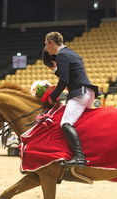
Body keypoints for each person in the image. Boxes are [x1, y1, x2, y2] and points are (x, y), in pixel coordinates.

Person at [43, 31, 100, 167]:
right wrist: (52, 67)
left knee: (65, 123)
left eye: (46, 44)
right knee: (77, 124)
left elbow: (64, 80)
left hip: (79, 93)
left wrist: (53, 95)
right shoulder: (71, 53)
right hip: (88, 92)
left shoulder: (61, 55)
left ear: (51, 42)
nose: (46, 48)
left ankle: (79, 157)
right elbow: (69, 74)